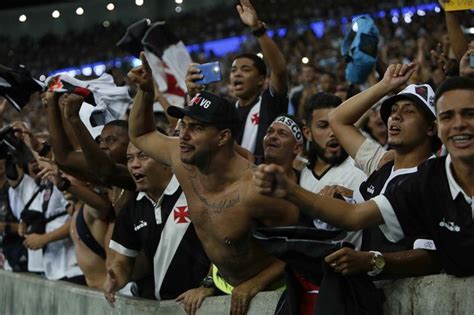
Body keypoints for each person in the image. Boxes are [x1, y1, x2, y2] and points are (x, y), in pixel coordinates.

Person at [128, 52, 298, 315]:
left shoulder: (255, 189)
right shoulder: (183, 162)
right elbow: (141, 134)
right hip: (224, 288)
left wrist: (255, 284)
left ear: (223, 137)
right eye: (183, 124)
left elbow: (301, 248)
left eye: (195, 128)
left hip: (273, 295)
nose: (182, 135)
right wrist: (145, 91)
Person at [254, 76, 474, 277]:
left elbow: (430, 257)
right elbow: (338, 119)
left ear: (432, 128)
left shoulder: (427, 177)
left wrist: (373, 260)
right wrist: (385, 85)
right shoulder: (382, 167)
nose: (395, 116)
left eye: (408, 111)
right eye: (393, 110)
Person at [103, 141, 210, 305]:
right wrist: (115, 279)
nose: (134, 165)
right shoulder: (132, 209)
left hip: (206, 303)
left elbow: (226, 247)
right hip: (167, 306)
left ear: (165, 160)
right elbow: (122, 262)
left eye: (143, 156)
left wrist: (208, 286)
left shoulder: (195, 190)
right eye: (129, 158)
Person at [185, 0, 289, 163]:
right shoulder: (225, 110)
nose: (237, 74)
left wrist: (257, 29)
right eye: (233, 70)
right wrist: (192, 94)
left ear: (261, 80)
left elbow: (280, 71)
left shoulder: (269, 103)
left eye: (245, 70)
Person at [300, 92, 367, 245]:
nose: (332, 133)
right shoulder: (299, 176)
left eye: (337, 124)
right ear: (308, 133)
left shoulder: (363, 167)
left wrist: (353, 197)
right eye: (323, 126)